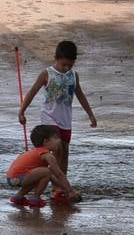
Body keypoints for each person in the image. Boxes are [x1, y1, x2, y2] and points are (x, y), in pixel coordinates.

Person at [18, 39, 96, 201]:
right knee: (58, 149)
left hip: (66, 121)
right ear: (56, 58)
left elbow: (80, 95)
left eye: (70, 65)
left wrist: (90, 114)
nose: (66, 68)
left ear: (74, 62)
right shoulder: (47, 74)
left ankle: (59, 186)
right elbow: (32, 92)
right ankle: (55, 187)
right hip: (49, 119)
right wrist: (22, 111)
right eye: (63, 65)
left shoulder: (74, 76)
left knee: (65, 153)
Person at [6, 124, 76, 208]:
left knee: (43, 175)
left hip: (13, 178)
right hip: (19, 178)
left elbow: (53, 177)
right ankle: (36, 197)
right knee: (47, 171)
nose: (59, 141)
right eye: (56, 138)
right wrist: (70, 191)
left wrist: (66, 189)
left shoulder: (35, 152)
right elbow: (59, 174)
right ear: (46, 141)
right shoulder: (47, 155)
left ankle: (19, 196)